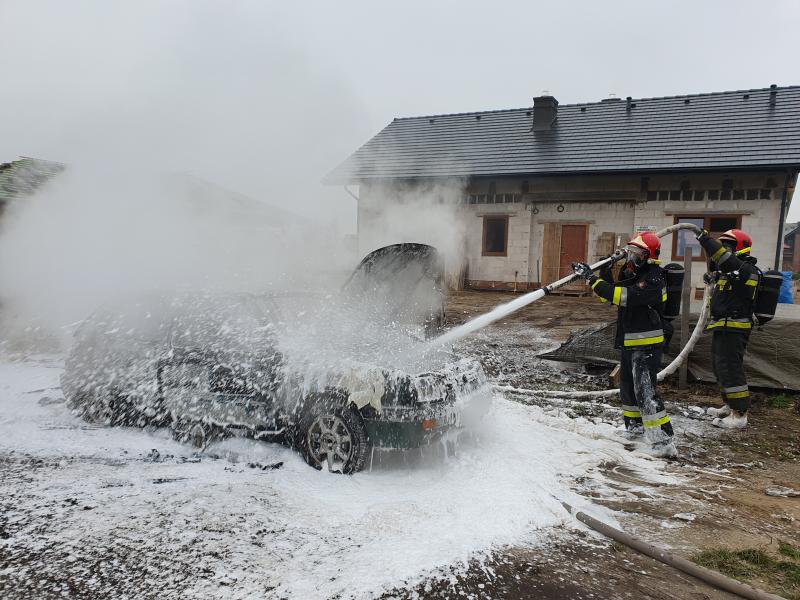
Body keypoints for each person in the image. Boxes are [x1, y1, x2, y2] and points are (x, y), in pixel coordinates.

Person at [572, 232, 677, 458]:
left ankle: (663, 440)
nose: (631, 257)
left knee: (645, 391)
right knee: (628, 390)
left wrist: (590, 278)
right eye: (630, 253)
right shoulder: (632, 272)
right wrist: (605, 270)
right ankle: (635, 428)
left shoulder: (655, 278)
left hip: (647, 343)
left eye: (636, 253)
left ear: (648, 255)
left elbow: (622, 296)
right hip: (629, 341)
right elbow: (608, 296)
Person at [696, 228, 759, 429]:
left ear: (740, 248)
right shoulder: (730, 271)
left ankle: (740, 413)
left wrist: (706, 239)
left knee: (731, 368)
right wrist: (712, 277)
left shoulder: (746, 270)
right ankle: (729, 404)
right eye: (723, 245)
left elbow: (727, 261)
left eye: (729, 246)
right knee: (720, 366)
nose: (725, 250)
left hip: (735, 326)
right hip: (722, 325)